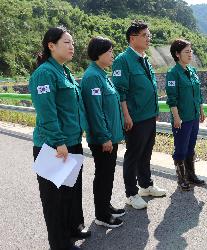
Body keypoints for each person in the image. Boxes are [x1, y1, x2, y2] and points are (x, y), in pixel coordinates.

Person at [29, 26, 90, 250]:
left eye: (72, 42)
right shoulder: (45, 73)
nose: (72, 46)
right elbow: (47, 111)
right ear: (51, 46)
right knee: (55, 199)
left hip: (71, 141)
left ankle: (73, 228)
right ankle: (59, 243)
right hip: (54, 145)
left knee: (70, 191)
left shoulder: (65, 72)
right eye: (67, 42)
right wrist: (58, 142)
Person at [112, 20, 166, 209]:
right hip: (135, 117)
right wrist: (126, 116)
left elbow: (150, 87)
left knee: (147, 152)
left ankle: (146, 185)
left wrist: (155, 111)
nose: (148, 38)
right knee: (133, 155)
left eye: (148, 35)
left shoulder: (143, 58)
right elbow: (120, 92)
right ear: (132, 38)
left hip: (149, 115)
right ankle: (131, 193)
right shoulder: (122, 60)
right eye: (145, 35)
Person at [80, 36, 125, 228]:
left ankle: (105, 206)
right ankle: (101, 215)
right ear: (99, 53)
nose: (112, 55)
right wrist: (105, 137)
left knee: (108, 174)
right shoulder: (92, 77)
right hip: (102, 139)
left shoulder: (101, 74)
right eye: (109, 52)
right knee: (103, 175)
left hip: (110, 136)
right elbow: (95, 111)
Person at [166, 39, 206, 191]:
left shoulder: (192, 71)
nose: (191, 54)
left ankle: (191, 175)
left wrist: (201, 110)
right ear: (177, 54)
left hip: (194, 116)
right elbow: (172, 98)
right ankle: (181, 178)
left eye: (191, 51)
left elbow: (198, 94)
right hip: (182, 119)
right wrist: (176, 117)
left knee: (191, 147)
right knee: (181, 148)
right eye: (187, 52)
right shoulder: (173, 73)